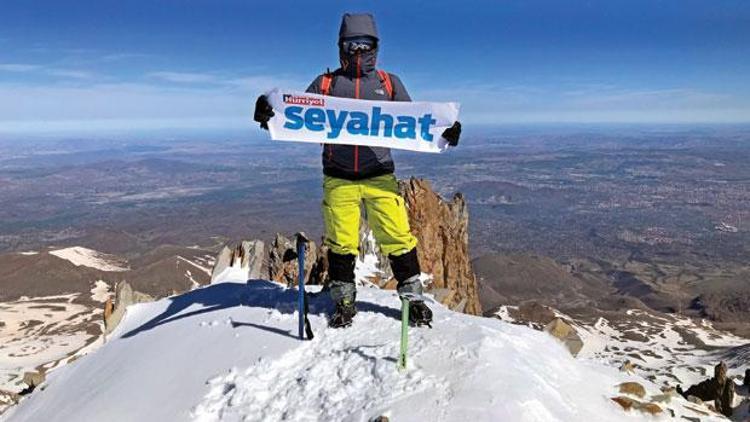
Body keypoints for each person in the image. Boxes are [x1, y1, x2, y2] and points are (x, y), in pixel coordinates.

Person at [254, 13, 461, 328]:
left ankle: (414, 299)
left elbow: (415, 124)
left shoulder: (389, 83)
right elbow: (295, 114)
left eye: (366, 44)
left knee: (397, 236)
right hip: (338, 176)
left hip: (379, 174)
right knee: (341, 241)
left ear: (376, 46)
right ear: (341, 46)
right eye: (352, 44)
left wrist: (445, 130)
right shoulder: (326, 84)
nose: (359, 51)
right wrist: (269, 112)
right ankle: (344, 300)